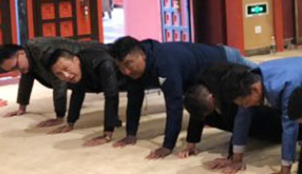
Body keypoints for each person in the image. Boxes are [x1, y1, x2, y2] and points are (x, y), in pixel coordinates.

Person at [108, 37, 258, 159]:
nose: (126, 71)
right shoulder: (133, 71)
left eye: (128, 64)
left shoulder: (164, 64)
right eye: (121, 67)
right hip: (201, 78)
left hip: (227, 59)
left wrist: (168, 146)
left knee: (262, 83)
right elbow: (134, 100)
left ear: (142, 55)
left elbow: (174, 105)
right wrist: (131, 134)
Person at [213, 56, 302, 174]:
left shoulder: (284, 85)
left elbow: (290, 125)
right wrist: (236, 160)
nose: (246, 106)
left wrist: (285, 170)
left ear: (255, 90)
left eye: (246, 102)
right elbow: (242, 118)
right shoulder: (250, 81)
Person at [179, 62, 283, 161]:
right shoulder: (200, 87)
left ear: (212, 97)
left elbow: (237, 120)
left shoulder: (229, 88)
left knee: (269, 129)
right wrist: (191, 143)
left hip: (256, 101)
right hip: (237, 100)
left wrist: (233, 156)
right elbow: (196, 108)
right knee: (205, 114)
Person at [46, 45, 123, 145]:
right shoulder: (76, 70)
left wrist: (107, 134)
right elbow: (77, 92)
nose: (66, 76)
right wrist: (70, 123)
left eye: (66, 68)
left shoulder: (104, 64)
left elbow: (111, 96)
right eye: (59, 74)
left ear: (76, 60)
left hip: (125, 74)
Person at [0, 38, 82, 126]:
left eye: (16, 66)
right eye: (12, 70)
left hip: (85, 59)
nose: (17, 70)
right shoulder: (27, 57)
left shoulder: (44, 53)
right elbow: (26, 79)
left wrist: (59, 117)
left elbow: (59, 83)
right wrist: (22, 107)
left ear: (21, 53)